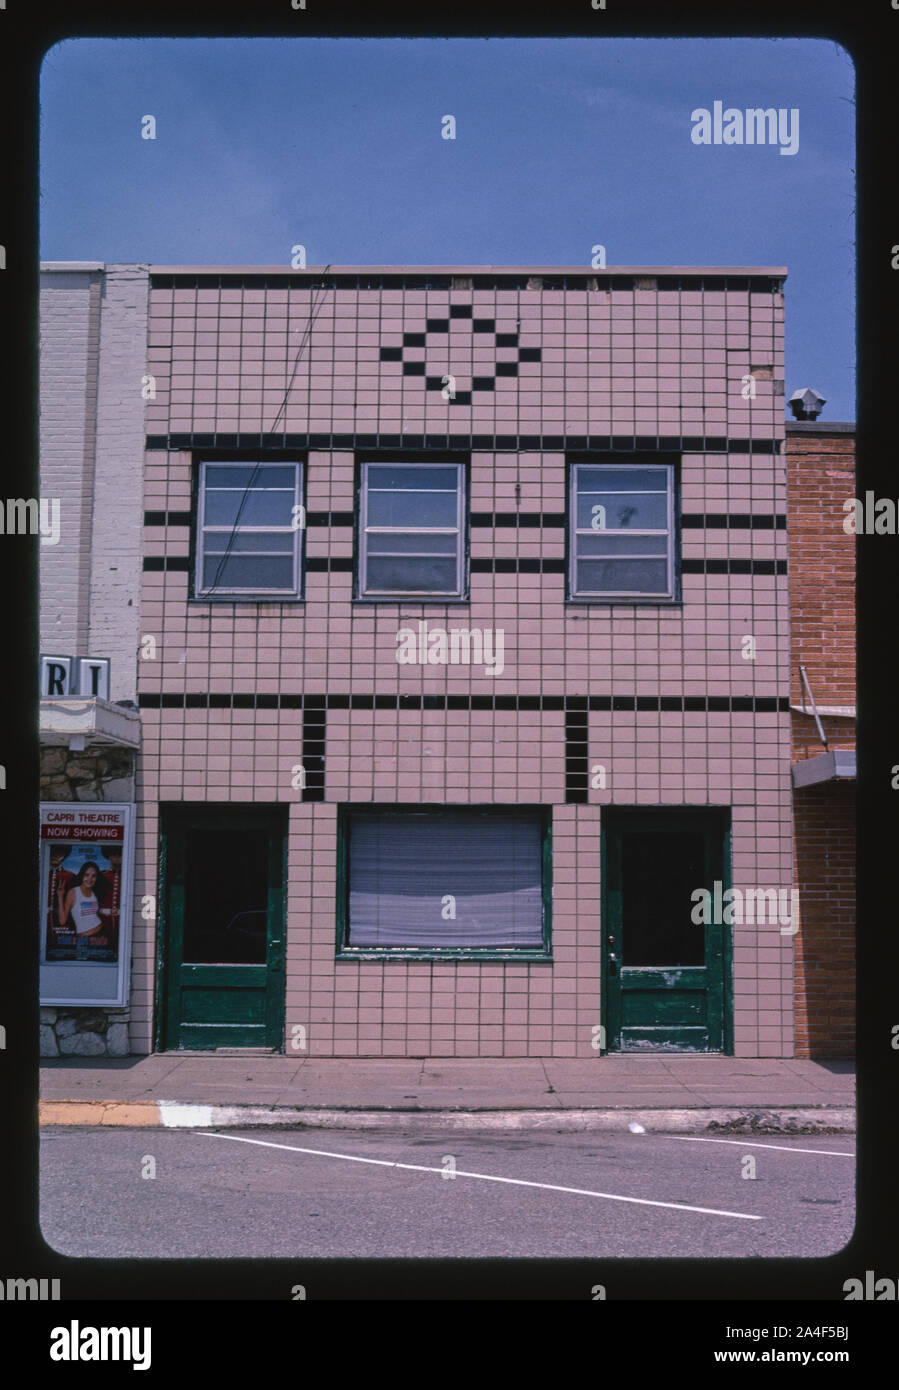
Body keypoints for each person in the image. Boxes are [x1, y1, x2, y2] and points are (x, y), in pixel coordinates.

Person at [58, 862, 112, 938]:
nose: (90, 879)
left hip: (101, 933)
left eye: (93, 876)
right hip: (84, 937)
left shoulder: (94, 892)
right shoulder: (73, 892)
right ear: (82, 875)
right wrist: (60, 897)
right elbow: (62, 921)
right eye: (87, 875)